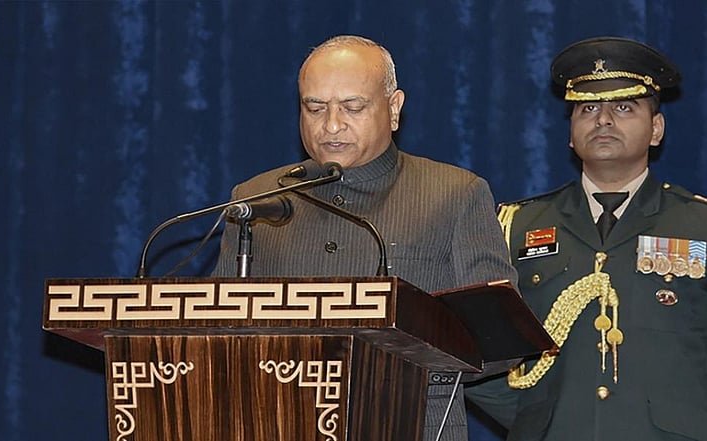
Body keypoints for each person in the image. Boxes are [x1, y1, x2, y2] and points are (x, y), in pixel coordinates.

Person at [464, 36, 707, 440]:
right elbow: (473, 354)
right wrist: (538, 424)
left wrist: (685, 427)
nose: (603, 120)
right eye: (587, 108)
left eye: (624, 107)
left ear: (656, 129)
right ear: (570, 134)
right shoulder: (515, 226)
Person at [212, 35, 518, 441]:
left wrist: (404, 357)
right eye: (314, 108)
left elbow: (500, 341)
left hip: (408, 425)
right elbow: (212, 332)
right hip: (277, 423)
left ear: (394, 109)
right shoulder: (259, 199)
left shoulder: (455, 194)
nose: (331, 125)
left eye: (352, 107)